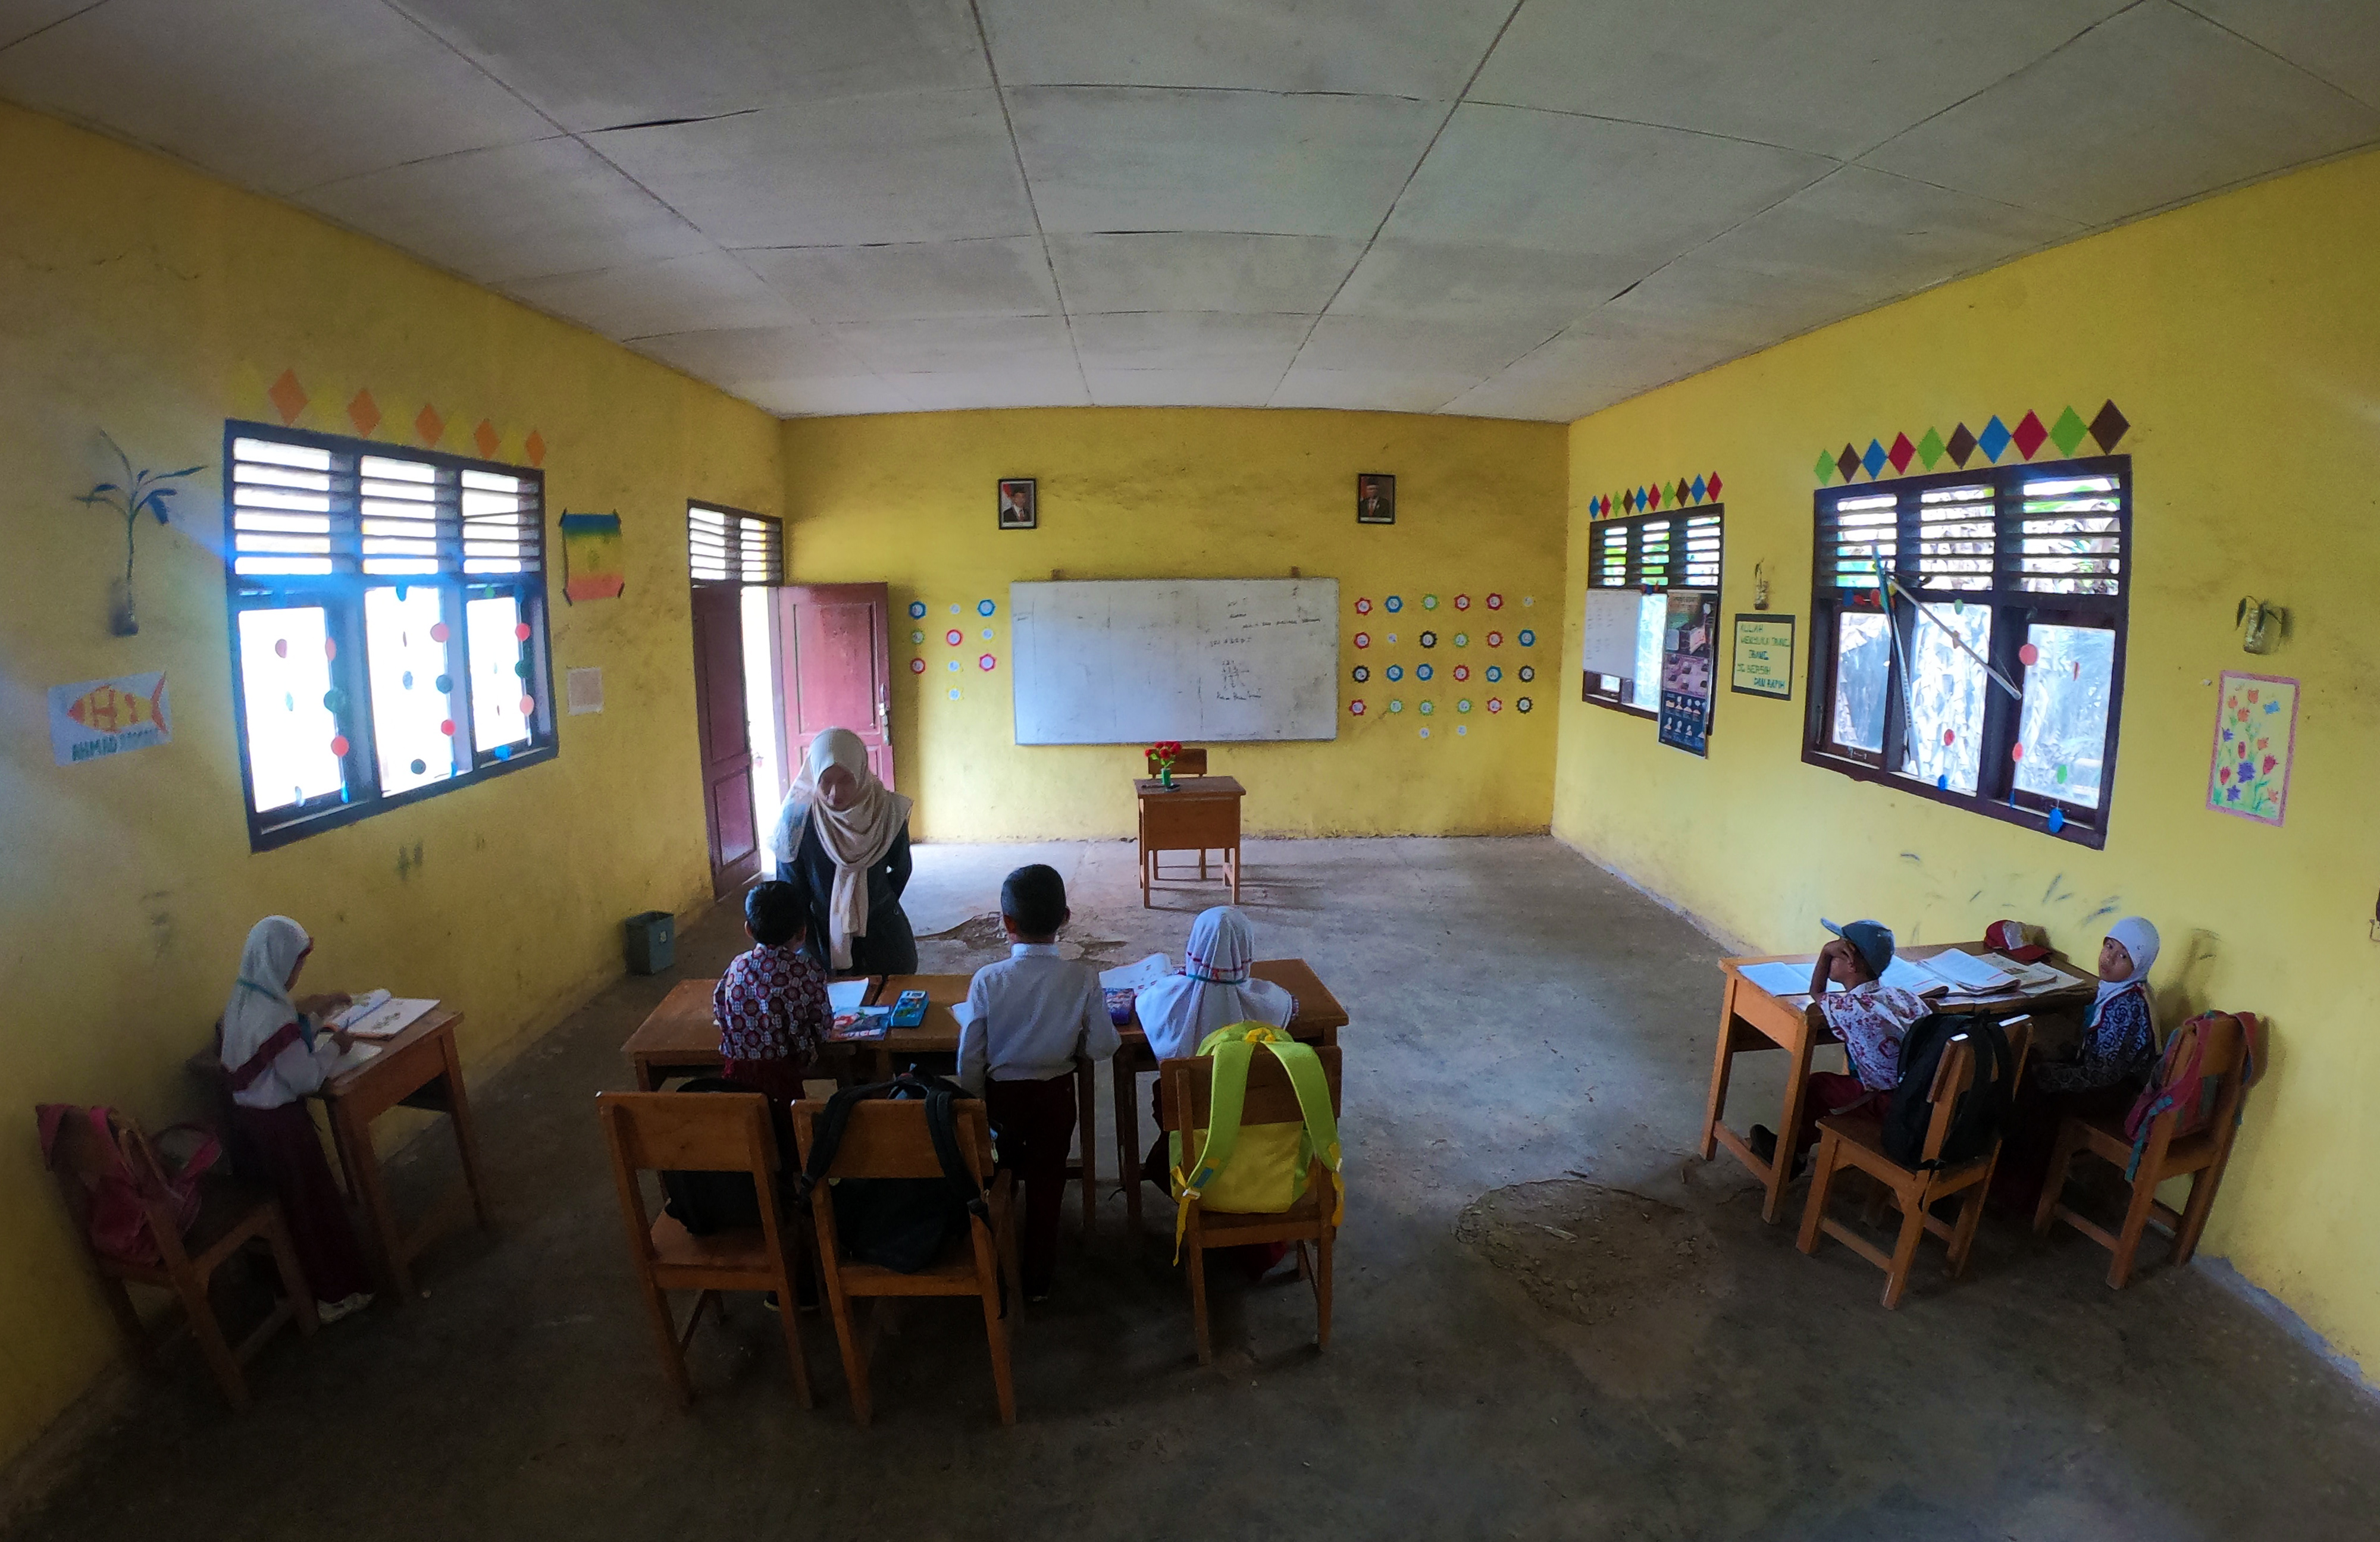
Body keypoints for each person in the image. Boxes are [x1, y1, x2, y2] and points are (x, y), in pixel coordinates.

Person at [957, 864, 1119, 1302]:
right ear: (1066, 918)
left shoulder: (988, 981)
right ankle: (1037, 1282)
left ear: (1006, 923)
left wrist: (974, 1106)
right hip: (1056, 1098)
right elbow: (1104, 1047)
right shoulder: (1083, 979)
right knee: (1048, 1184)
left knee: (993, 1177)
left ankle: (991, 1268)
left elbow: (970, 1057)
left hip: (1001, 1101)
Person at [217, 917, 374, 1322]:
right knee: (311, 1209)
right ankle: (335, 1295)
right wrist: (336, 1047)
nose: (297, 974)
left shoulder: (244, 996)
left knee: (288, 1213)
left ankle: (288, 1292)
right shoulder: (273, 1015)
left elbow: (276, 1047)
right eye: (296, 964)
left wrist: (318, 1013)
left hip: (248, 1129)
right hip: (282, 1132)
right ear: (280, 963)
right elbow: (303, 1076)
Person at [1990, 917, 2162, 1211]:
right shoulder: (2120, 990)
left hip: (2116, 1094)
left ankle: (2016, 1192)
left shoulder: (2126, 1005)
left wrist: (2049, 1073)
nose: (2109, 958)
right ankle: (2007, 1179)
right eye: (2109, 946)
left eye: (2123, 956)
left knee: (2029, 1088)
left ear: (2140, 964)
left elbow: (2105, 1073)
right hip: (2103, 1078)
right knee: (2030, 1063)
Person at [1749, 919, 1929, 1174]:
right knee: (1837, 1083)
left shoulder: (1850, 1008)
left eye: (1836, 954)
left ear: (1851, 963)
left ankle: (1791, 1158)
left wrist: (1823, 953)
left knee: (1817, 1087)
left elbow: (1816, 992)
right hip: (1920, 1096)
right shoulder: (1904, 996)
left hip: (1891, 1104)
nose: (1831, 957)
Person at [768, 727, 916, 976]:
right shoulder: (796, 821)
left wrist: (876, 903)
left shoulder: (887, 811)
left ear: (860, 771)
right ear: (814, 775)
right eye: (826, 781)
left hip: (883, 929)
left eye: (846, 780)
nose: (835, 793)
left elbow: (901, 868)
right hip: (820, 934)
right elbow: (792, 890)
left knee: (894, 992)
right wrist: (808, 938)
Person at [712, 880, 831, 1111]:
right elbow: (823, 1028)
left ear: (748, 929)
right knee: (785, 1134)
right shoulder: (807, 970)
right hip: (784, 1079)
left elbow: (719, 1008)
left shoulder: (737, 965)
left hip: (736, 1078)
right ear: (803, 932)